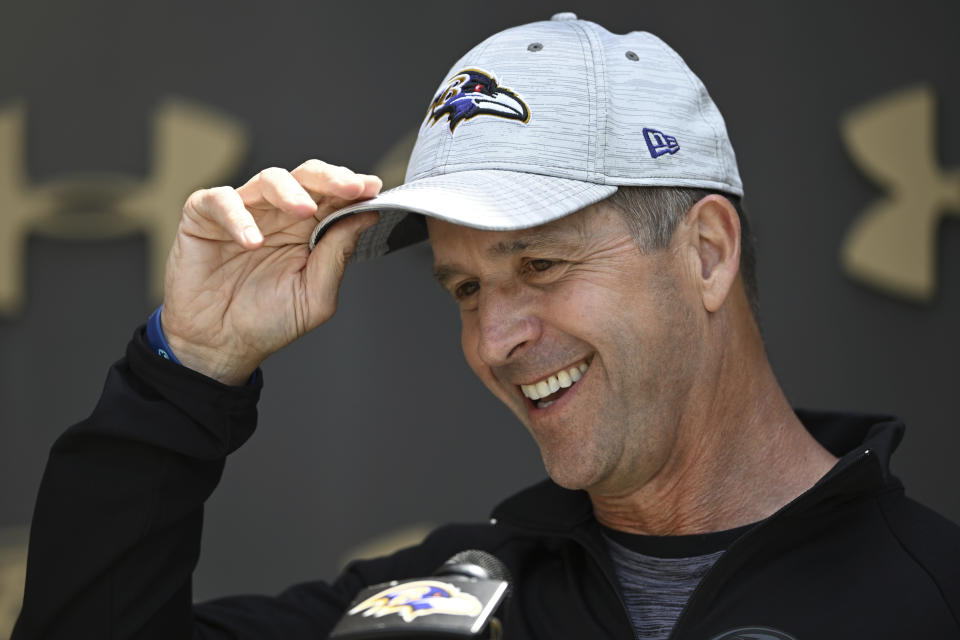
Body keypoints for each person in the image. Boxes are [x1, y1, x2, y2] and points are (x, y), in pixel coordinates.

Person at [13, 13, 960, 640]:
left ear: (706, 254)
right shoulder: (431, 606)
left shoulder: (929, 596)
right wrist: (187, 376)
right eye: (464, 289)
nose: (497, 338)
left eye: (541, 265)